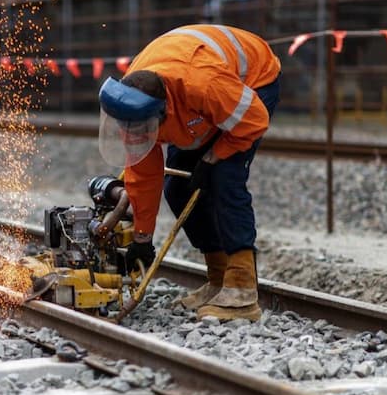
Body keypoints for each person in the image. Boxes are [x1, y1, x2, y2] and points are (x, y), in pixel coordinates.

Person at [98, 24, 281, 322]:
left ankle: (242, 290)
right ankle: (219, 278)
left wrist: (213, 157)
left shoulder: (204, 85)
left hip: (253, 82)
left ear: (164, 112)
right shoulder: (132, 104)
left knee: (224, 178)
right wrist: (142, 240)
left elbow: (254, 120)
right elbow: (143, 176)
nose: (136, 134)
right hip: (203, 96)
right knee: (178, 188)